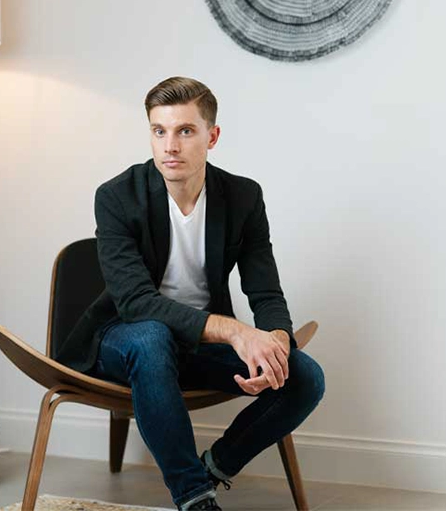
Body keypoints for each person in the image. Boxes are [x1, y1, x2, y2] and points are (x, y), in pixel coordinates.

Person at [57, 76, 325, 511]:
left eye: (185, 131)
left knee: (305, 375)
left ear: (212, 136)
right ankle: (195, 498)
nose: (170, 146)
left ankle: (213, 469)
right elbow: (136, 303)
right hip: (123, 339)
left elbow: (265, 288)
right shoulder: (116, 197)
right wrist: (235, 332)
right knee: (150, 335)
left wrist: (275, 339)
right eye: (159, 131)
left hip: (197, 346)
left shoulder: (242, 197)